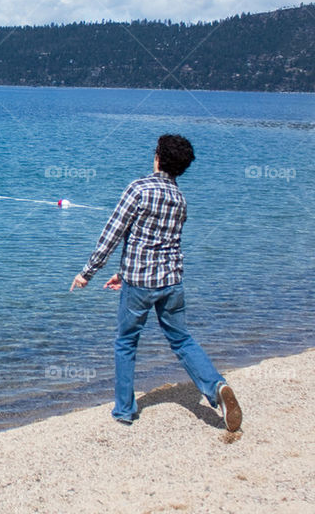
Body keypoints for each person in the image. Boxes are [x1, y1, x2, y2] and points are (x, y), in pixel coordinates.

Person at [70, 134, 242, 431]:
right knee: (182, 339)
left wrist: (87, 272)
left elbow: (112, 234)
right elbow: (164, 243)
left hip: (140, 284)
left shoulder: (139, 189)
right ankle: (216, 387)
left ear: (158, 158)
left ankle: (124, 410)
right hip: (171, 281)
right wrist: (122, 274)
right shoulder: (179, 199)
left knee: (126, 342)